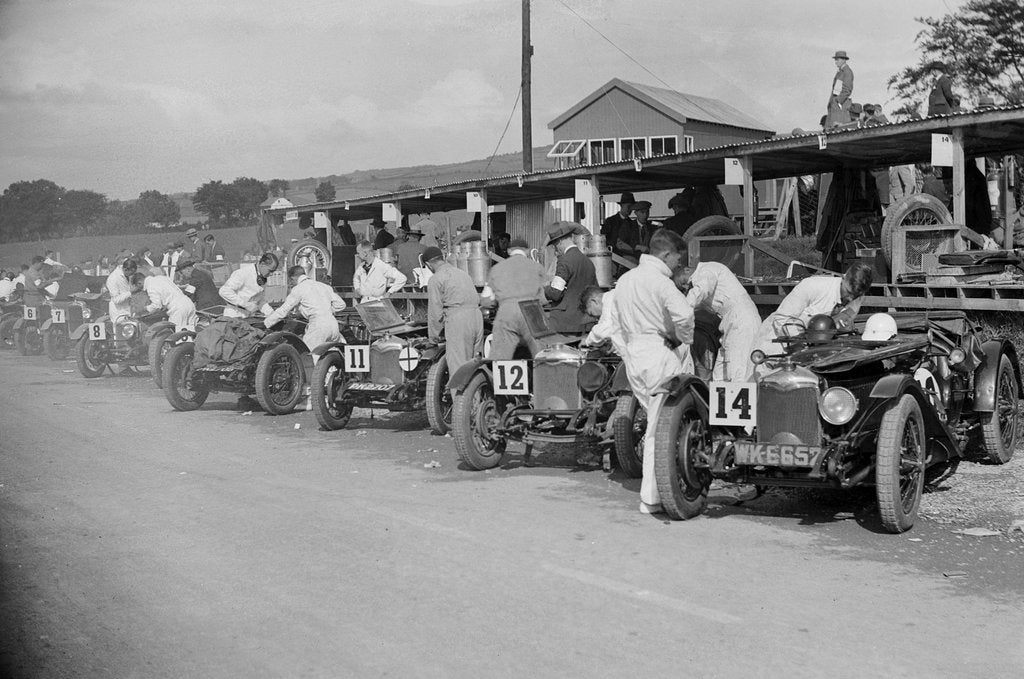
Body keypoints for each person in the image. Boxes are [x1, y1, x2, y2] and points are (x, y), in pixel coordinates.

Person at [609, 229, 695, 514]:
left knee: (655, 423)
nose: (676, 266)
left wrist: (628, 351)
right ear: (666, 254)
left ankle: (656, 492)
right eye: (676, 259)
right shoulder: (660, 282)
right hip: (658, 353)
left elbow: (616, 325)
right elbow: (685, 314)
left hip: (634, 357)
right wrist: (682, 338)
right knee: (662, 427)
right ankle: (653, 497)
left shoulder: (624, 280)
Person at [755, 262, 874, 357]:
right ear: (843, 278)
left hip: (811, 348)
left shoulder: (858, 296)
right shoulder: (812, 286)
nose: (850, 298)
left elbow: (845, 319)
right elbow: (781, 318)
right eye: (848, 292)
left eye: (855, 296)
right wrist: (798, 344)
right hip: (774, 346)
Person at [673, 257, 760, 382]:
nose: (686, 286)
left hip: (742, 321)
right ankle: (719, 400)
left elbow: (700, 291)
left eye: (683, 282)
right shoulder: (697, 287)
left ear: (686, 270)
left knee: (736, 370)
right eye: (683, 287)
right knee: (720, 374)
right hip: (729, 324)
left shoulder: (707, 270)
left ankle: (741, 399)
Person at [423, 247, 484, 381]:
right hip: (477, 317)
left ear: (428, 264)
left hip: (459, 320)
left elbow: (435, 312)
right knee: (475, 365)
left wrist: (433, 339)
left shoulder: (436, 279)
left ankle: (459, 401)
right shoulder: (462, 273)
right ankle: (476, 398)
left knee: (458, 369)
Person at [263, 265, 346, 362]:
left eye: (290, 281)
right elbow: (341, 305)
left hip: (318, 327)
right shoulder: (324, 286)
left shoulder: (298, 289)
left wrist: (266, 323)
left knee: (308, 358)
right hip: (333, 325)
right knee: (328, 357)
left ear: (292, 278)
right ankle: (330, 376)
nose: (290, 284)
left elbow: (283, 311)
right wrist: (324, 310)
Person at [483, 238, 547, 359]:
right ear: (527, 251)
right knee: (541, 355)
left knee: (500, 358)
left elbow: (486, 300)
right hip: (532, 311)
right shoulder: (537, 267)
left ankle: (501, 376)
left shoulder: (496, 269)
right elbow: (543, 299)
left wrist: (498, 303)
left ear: (508, 251)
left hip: (507, 312)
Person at [544, 222, 598, 334]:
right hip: (586, 321)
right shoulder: (588, 261)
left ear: (559, 242)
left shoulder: (565, 261)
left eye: (554, 245)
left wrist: (545, 288)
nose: (555, 250)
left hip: (565, 324)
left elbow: (555, 293)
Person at [129, 272, 197, 332]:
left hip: (178, 308)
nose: (139, 288)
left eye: (138, 286)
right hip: (188, 303)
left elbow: (156, 306)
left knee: (175, 334)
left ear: (139, 283)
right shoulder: (161, 277)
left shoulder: (151, 286)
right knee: (191, 333)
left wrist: (144, 309)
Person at [219, 252, 279, 318]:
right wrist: (245, 304)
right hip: (234, 314)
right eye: (270, 271)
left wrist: (271, 312)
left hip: (248, 316)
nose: (271, 274)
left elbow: (260, 301)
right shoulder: (243, 273)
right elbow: (224, 291)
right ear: (262, 264)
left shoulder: (262, 277)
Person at [579, 285, 625, 355]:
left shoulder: (610, 300)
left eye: (591, 313)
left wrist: (587, 341)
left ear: (594, 301)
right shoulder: (612, 297)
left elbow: (605, 329)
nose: (595, 317)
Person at [105, 258, 138, 324]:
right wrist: (130, 292)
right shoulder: (113, 279)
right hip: (119, 313)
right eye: (131, 273)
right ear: (125, 270)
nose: (132, 275)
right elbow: (116, 300)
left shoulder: (126, 274)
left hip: (129, 310)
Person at [826, 50, 854, 128]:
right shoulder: (841, 72)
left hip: (841, 107)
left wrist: (838, 101)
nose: (835, 62)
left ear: (844, 60)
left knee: (839, 128)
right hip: (836, 106)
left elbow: (847, 89)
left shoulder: (847, 72)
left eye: (837, 59)